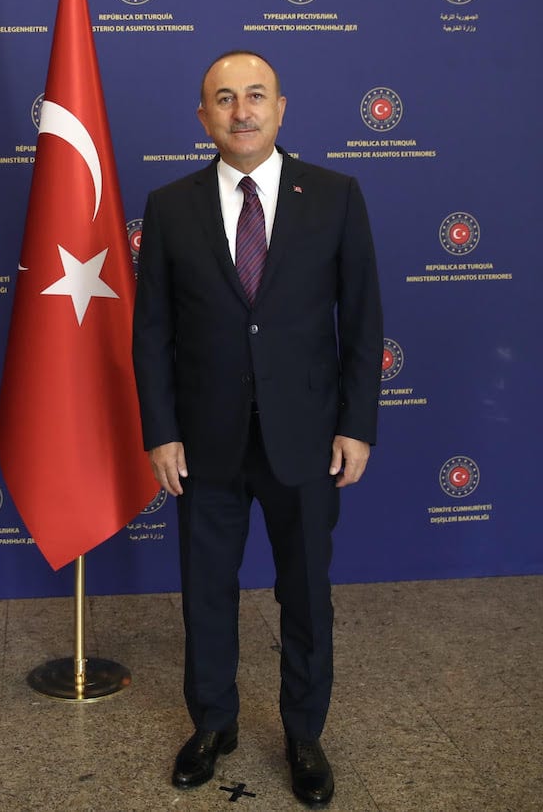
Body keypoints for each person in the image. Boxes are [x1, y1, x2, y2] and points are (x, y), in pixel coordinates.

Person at [132, 50, 382, 807]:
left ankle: (305, 735)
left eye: (256, 96)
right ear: (202, 116)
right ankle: (213, 725)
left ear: (282, 108)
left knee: (306, 593)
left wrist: (357, 425)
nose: (241, 111)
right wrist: (160, 430)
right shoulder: (170, 205)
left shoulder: (335, 196)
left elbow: (364, 320)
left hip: (306, 439)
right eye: (224, 98)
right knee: (206, 591)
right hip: (203, 443)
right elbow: (151, 335)